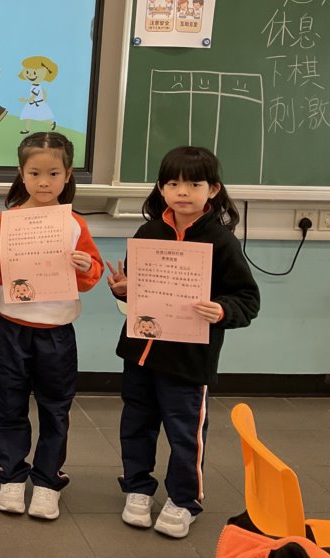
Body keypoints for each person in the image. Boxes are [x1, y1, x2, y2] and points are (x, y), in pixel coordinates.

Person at [106, 146, 260, 539]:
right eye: (173, 183)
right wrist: (124, 290)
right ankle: (138, 488)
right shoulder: (148, 233)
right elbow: (140, 294)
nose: (183, 191)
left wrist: (222, 309)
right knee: (136, 424)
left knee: (185, 432)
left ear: (213, 189)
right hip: (141, 353)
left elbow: (247, 299)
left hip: (189, 359)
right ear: (161, 188)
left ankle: (184, 500)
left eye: (194, 184)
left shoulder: (221, 241)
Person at [0, 132, 103, 520]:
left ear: (67, 175)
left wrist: (86, 267)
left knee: (55, 408)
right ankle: (11, 474)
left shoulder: (74, 224)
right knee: (6, 403)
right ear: (21, 174)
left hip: (57, 332)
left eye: (53, 173)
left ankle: (46, 481)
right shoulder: (8, 222)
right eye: (35, 173)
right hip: (12, 328)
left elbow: (91, 276)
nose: (44, 182)